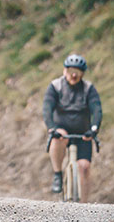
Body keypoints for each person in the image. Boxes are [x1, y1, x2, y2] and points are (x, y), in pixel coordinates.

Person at [43, 54, 102, 201]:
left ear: (83, 73)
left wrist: (94, 129)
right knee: (58, 138)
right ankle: (58, 174)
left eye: (78, 72)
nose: (74, 75)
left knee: (84, 167)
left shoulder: (89, 89)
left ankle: (84, 203)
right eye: (71, 71)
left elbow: (97, 109)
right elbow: (47, 108)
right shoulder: (55, 86)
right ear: (64, 71)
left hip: (83, 132)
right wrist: (51, 128)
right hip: (62, 130)